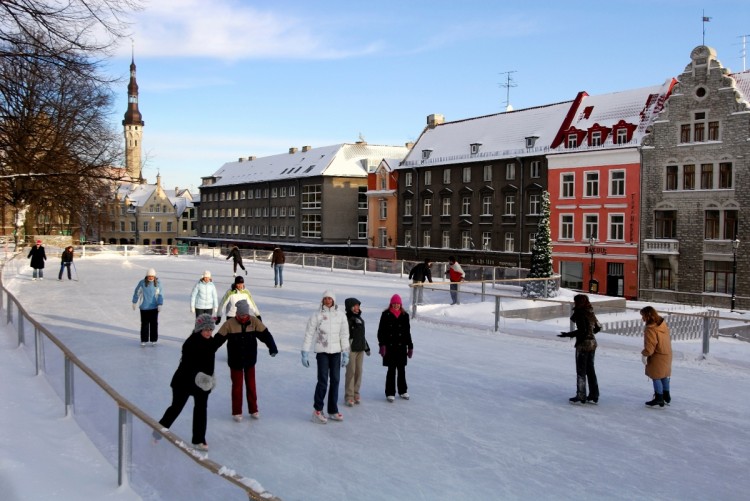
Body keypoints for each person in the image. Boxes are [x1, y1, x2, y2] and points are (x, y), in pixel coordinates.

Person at [155, 314, 228, 451]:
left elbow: (219, 340)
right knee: (176, 408)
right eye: (205, 329)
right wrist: (203, 378)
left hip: (202, 384)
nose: (208, 332)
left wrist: (228, 327)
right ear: (199, 329)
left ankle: (199, 440)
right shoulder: (190, 343)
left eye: (210, 330)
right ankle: (158, 431)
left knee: (201, 410)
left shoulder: (210, 341)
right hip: (184, 382)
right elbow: (189, 366)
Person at [218, 300, 278, 422]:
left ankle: (253, 409)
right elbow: (217, 340)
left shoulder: (254, 322)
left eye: (246, 315)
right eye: (241, 315)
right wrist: (206, 352)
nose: (244, 317)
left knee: (251, 385)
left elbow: (266, 335)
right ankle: (237, 412)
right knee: (237, 386)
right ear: (237, 314)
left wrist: (272, 347)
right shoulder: (229, 324)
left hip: (250, 359)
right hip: (235, 360)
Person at [301, 290, 350, 424]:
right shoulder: (317, 316)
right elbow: (309, 334)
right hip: (322, 352)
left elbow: (344, 335)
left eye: (330, 299)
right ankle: (317, 410)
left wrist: (345, 352)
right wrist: (305, 351)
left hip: (336, 352)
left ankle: (333, 410)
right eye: (325, 299)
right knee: (322, 381)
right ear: (322, 300)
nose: (328, 301)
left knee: (335, 380)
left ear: (334, 300)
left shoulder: (340, 316)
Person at [558, 294, 600, 404]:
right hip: (593, 343)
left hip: (583, 345)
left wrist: (567, 334)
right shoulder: (590, 311)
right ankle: (594, 394)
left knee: (581, 370)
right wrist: (591, 332)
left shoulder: (580, 313)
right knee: (590, 370)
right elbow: (598, 327)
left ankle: (581, 395)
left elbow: (582, 331)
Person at [377, 294, 413, 402]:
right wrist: (382, 345)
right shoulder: (385, 314)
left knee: (401, 370)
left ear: (401, 304)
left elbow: (407, 333)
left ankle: (403, 390)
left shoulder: (405, 315)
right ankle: (390, 392)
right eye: (394, 303)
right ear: (391, 303)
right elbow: (381, 332)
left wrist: (410, 346)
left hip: (401, 347)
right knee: (391, 370)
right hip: (390, 347)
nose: (396, 305)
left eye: (398, 303)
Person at [640, 306, 673, 408]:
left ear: (648, 316)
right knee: (663, 375)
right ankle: (666, 396)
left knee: (656, 376)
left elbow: (650, 345)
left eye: (643, 316)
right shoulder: (661, 324)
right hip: (667, 353)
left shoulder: (650, 329)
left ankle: (659, 397)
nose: (642, 319)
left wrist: (645, 354)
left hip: (657, 355)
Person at [344, 297, 370, 407]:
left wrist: (366, 347)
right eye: (355, 306)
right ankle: (349, 395)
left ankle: (356, 392)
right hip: (351, 349)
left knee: (359, 371)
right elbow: (344, 335)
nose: (357, 308)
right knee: (351, 372)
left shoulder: (360, 319)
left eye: (358, 306)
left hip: (360, 348)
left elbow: (362, 336)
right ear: (350, 307)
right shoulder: (346, 319)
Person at [132, 268, 163, 346]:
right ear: (147, 276)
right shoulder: (142, 283)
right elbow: (137, 292)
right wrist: (134, 302)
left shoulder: (158, 284)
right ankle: (144, 340)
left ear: (154, 276)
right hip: (144, 307)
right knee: (144, 324)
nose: (151, 277)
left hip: (154, 308)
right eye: (149, 276)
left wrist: (160, 304)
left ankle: (153, 339)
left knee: (154, 324)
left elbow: (160, 295)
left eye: (152, 276)